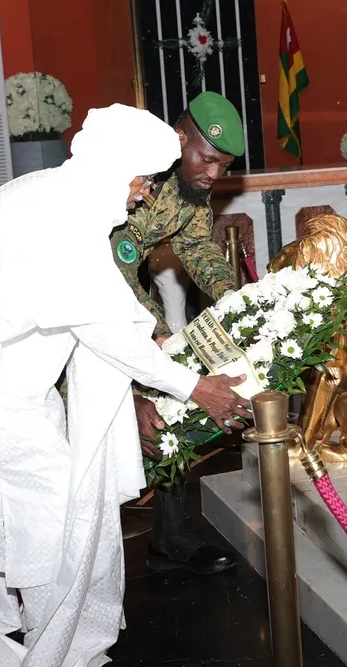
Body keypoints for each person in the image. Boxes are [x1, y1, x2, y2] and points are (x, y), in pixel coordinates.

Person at [0, 105, 252, 667]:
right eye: (141, 180)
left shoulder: (60, 195)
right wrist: (197, 388)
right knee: (57, 510)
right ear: (116, 169)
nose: (143, 194)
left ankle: (8, 631)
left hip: (9, 378)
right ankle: (55, 647)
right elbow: (111, 331)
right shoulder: (63, 214)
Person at [110, 90, 246, 574]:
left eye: (224, 166)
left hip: (122, 300)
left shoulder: (190, 192)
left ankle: (168, 538)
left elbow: (198, 248)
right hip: (82, 309)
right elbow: (112, 271)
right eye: (207, 159)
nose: (213, 175)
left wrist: (235, 300)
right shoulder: (135, 175)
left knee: (168, 401)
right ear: (179, 137)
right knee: (99, 421)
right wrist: (157, 338)